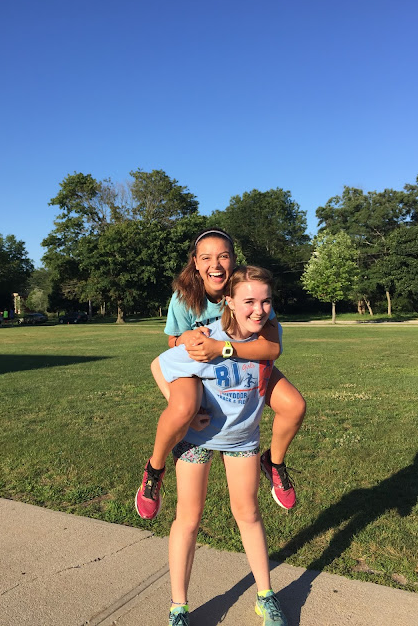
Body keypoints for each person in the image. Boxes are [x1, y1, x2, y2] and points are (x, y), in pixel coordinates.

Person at [135, 229, 306, 520]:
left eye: (223, 256)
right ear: (195, 262)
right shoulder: (184, 298)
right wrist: (185, 338)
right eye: (206, 258)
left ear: (234, 259)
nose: (215, 265)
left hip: (243, 363)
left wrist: (223, 348)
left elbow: (272, 348)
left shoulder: (248, 289)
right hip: (199, 368)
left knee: (294, 406)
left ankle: (274, 463)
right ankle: (154, 469)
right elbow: (172, 343)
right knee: (182, 409)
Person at [157, 266, 288, 626]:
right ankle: (178, 608)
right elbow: (160, 364)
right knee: (188, 519)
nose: (259, 310)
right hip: (197, 440)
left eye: (266, 301)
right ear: (228, 300)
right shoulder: (205, 341)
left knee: (249, 514)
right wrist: (182, 410)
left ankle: (265, 596)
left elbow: (270, 349)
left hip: (242, 438)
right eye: (249, 301)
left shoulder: (267, 338)